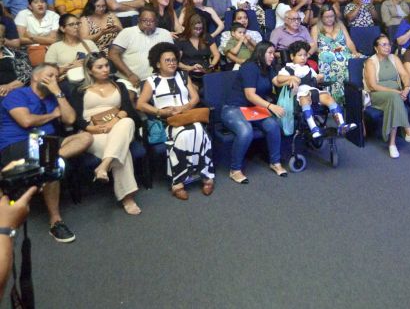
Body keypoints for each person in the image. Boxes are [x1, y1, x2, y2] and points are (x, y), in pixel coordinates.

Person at [0, 63, 92, 242]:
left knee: (85, 138)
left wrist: (57, 92)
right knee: (48, 158)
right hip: (17, 143)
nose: (54, 79)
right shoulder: (18, 94)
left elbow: (71, 119)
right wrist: (52, 115)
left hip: (47, 143)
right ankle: (56, 221)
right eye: (50, 75)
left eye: (57, 77)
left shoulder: (53, 98)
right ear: (36, 77)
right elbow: (26, 121)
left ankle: (45, 165)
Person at [137, 43, 215, 200]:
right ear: (158, 64)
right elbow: (140, 104)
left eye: (173, 60)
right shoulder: (151, 81)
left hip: (187, 115)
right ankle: (178, 182)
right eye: (167, 60)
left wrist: (184, 107)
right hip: (168, 121)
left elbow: (195, 98)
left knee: (199, 131)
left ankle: (206, 176)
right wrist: (160, 111)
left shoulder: (183, 76)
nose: (172, 63)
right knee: (183, 135)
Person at [70, 54, 141, 214]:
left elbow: (127, 110)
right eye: (99, 67)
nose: (105, 70)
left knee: (127, 122)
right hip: (93, 133)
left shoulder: (119, 85)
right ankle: (127, 198)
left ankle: (103, 166)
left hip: (118, 127)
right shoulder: (80, 90)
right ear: (89, 70)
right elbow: (75, 117)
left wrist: (112, 122)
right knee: (122, 151)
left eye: (106, 66)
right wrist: (90, 128)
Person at [221, 42, 286, 183]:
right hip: (233, 108)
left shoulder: (267, 67)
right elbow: (250, 95)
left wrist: (291, 79)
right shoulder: (249, 67)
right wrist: (271, 106)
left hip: (252, 109)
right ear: (261, 53)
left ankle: (275, 162)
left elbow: (276, 82)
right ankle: (235, 169)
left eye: (273, 53)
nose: (272, 56)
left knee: (273, 125)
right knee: (246, 131)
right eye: (269, 53)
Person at [274, 41, 356, 139]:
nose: (303, 58)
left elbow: (316, 79)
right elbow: (279, 79)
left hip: (312, 90)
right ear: (292, 56)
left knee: (328, 97)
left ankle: (341, 125)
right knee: (305, 99)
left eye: (305, 55)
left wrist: (319, 78)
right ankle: (314, 128)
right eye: (300, 55)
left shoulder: (308, 69)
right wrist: (290, 78)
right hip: (298, 93)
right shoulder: (287, 69)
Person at [363, 34, 410, 158]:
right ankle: (408, 131)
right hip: (377, 95)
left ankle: (392, 144)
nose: (387, 47)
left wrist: (407, 88)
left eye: (389, 44)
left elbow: (404, 75)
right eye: (384, 45)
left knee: (394, 102)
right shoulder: (371, 62)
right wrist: (397, 92)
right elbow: (373, 86)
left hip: (395, 95)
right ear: (376, 48)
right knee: (395, 98)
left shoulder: (394, 58)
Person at [107, 6, 174, 92]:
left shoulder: (165, 34)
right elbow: (113, 54)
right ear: (138, 20)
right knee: (129, 96)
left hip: (158, 80)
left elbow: (173, 56)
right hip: (129, 79)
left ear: (157, 21)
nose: (148, 23)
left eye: (152, 21)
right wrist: (130, 75)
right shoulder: (127, 32)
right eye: (145, 20)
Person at [311, 4, 360, 103]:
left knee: (359, 59)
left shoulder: (340, 25)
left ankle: (352, 96)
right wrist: (313, 52)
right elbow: (314, 45)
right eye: (327, 17)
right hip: (327, 55)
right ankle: (335, 98)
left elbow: (349, 42)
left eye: (332, 16)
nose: (330, 19)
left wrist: (355, 52)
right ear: (321, 17)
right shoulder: (316, 28)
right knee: (331, 58)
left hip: (344, 52)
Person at [44, 14, 98, 91]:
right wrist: (70, 66)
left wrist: (86, 64)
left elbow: (100, 63)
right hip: (67, 82)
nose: (76, 27)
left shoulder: (89, 43)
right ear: (63, 28)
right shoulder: (55, 47)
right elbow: (48, 73)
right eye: (71, 24)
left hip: (89, 78)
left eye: (78, 23)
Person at [176, 13, 220, 83]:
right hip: (188, 74)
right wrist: (191, 68)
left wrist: (211, 66)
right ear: (190, 27)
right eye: (196, 29)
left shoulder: (207, 37)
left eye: (200, 29)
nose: (198, 31)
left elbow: (216, 54)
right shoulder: (182, 40)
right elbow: (177, 62)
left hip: (205, 72)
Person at [0, 24, 31, 98]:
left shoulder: (17, 54)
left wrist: (8, 86)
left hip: (16, 90)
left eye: (0, 37)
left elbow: (26, 74)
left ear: (3, 40)